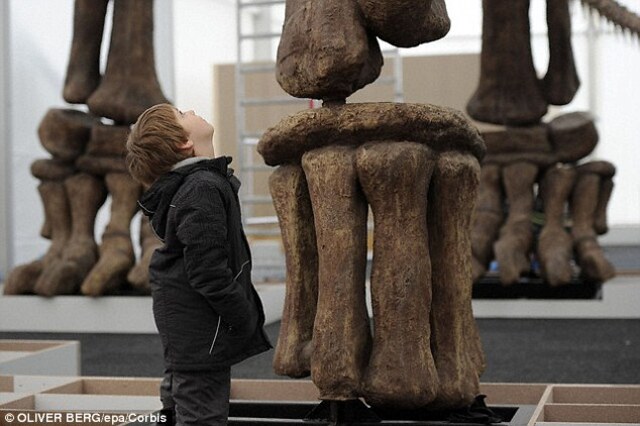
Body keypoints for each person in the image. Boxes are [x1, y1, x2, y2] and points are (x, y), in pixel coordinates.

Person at [125, 103, 272, 425]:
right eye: (181, 114)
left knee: (183, 399)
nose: (190, 110)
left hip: (191, 331)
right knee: (201, 414)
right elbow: (207, 271)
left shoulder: (198, 183)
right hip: (200, 333)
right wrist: (241, 315)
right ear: (183, 143)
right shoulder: (201, 187)